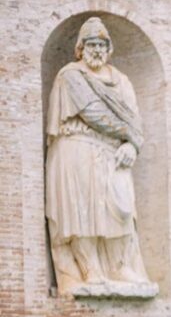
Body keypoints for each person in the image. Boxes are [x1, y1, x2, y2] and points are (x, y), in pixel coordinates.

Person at [46, 16, 152, 293]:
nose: (97, 49)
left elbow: (135, 120)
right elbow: (94, 113)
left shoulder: (122, 81)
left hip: (114, 154)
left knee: (120, 209)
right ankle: (89, 270)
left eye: (102, 43)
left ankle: (120, 267)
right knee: (82, 212)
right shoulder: (71, 75)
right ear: (81, 47)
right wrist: (130, 134)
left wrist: (132, 144)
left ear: (109, 47)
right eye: (91, 43)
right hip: (76, 149)